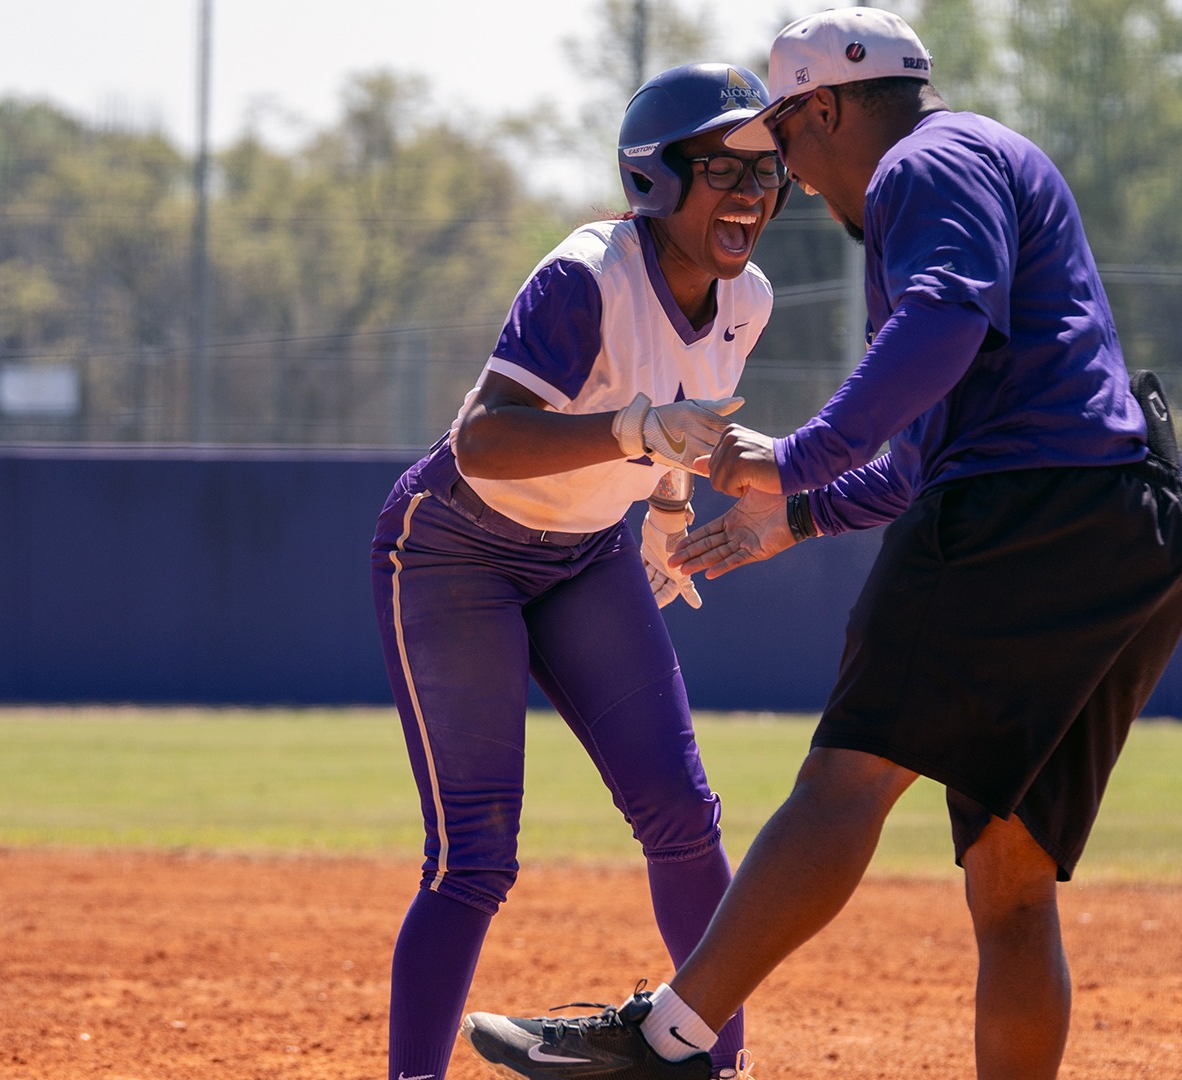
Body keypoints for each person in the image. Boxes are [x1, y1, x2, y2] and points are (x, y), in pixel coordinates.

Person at [459, 7, 1182, 1080]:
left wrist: (799, 456)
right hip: (1133, 534)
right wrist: (793, 510)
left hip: (1018, 519)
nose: (792, 177)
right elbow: (912, 459)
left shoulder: (920, 167)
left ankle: (670, 1039)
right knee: (1010, 875)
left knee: (845, 780)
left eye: (791, 140)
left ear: (833, 107)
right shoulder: (990, 159)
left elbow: (942, 323)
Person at [369, 62, 791, 1080]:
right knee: (474, 857)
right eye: (722, 168)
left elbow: (690, 421)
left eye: (767, 173)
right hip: (454, 550)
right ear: (656, 178)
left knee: (684, 819)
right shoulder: (587, 275)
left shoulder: (749, 299)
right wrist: (633, 430)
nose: (749, 194)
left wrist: (670, 501)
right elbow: (484, 442)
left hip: (585, 555)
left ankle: (715, 1065)